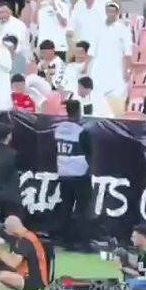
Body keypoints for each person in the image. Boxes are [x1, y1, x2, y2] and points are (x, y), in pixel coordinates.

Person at [53, 99, 92, 248]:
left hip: (63, 173)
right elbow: (89, 152)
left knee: (65, 208)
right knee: (83, 209)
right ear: (79, 112)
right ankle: (83, 242)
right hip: (80, 174)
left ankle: (66, 241)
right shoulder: (81, 131)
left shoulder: (58, 129)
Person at [0, 214, 49, 290]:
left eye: (6, 229)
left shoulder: (25, 241)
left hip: (34, 282)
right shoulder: (27, 237)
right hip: (33, 278)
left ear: (11, 229)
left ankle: (5, 286)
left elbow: (13, 263)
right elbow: (12, 257)